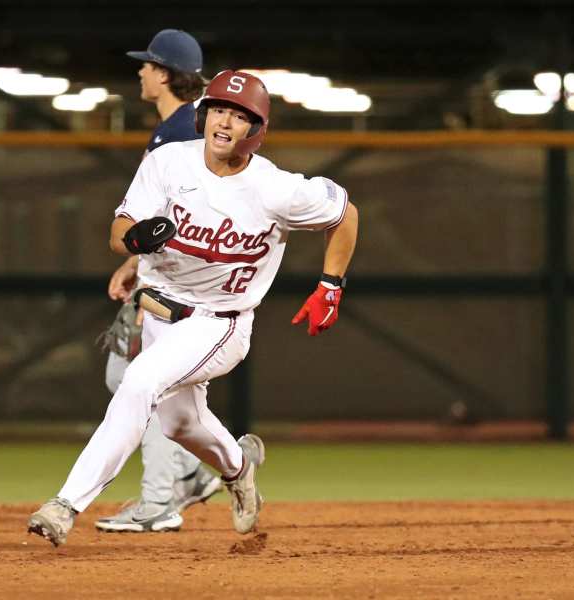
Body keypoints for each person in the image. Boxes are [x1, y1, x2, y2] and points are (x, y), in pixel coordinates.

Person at [29, 70, 359, 547]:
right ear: (204, 115)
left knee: (139, 381)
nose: (226, 122)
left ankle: (65, 505)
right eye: (220, 109)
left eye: (240, 116)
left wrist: (331, 285)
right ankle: (240, 469)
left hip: (218, 324)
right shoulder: (169, 162)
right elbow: (118, 231)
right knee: (181, 423)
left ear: (256, 131)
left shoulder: (276, 188)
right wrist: (137, 238)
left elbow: (345, 213)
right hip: (160, 315)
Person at [95, 29, 222, 534]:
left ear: (166, 73)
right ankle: (189, 474)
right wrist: (133, 263)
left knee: (148, 384)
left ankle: (159, 500)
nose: (141, 72)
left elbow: (194, 212)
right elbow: (161, 214)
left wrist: (155, 276)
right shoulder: (177, 125)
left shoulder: (185, 129)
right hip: (160, 271)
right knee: (121, 378)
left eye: (148, 65)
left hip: (179, 285)